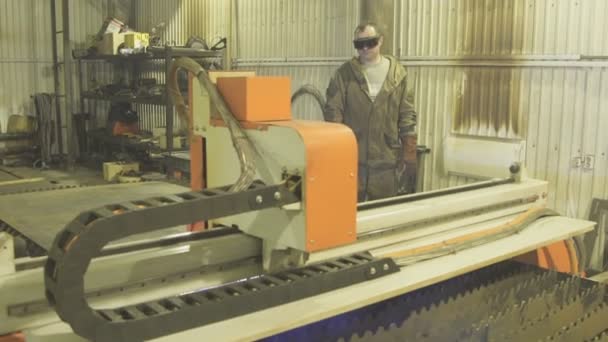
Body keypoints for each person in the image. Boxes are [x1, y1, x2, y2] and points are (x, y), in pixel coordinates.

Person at [323, 22, 418, 201]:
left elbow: (407, 116)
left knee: (383, 215)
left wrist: (410, 154)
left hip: (386, 164)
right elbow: (333, 116)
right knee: (349, 215)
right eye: (359, 44)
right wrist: (336, 157)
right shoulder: (343, 76)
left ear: (380, 41)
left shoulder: (398, 75)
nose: (365, 48)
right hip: (352, 163)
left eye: (371, 42)